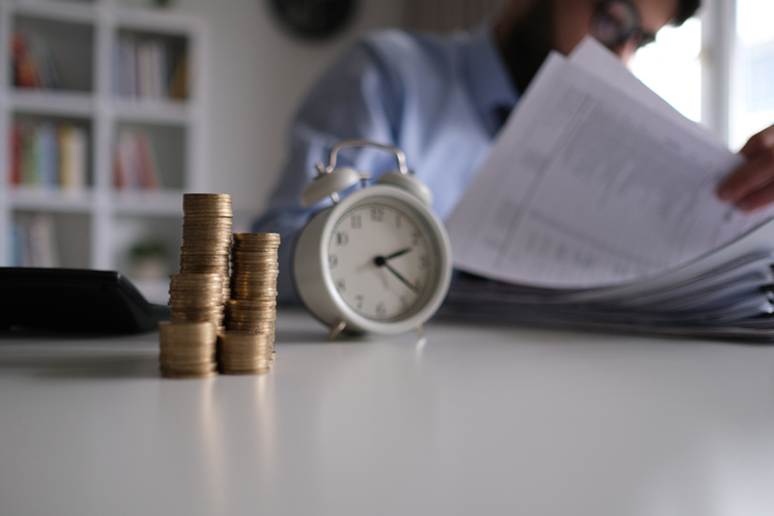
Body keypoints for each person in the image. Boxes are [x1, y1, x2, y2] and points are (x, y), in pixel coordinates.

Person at [254, 0, 774, 301]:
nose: (617, 57)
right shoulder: (390, 75)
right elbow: (274, 255)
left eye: (641, 40)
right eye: (613, 19)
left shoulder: (617, 151)